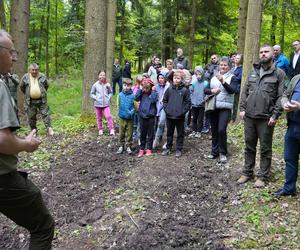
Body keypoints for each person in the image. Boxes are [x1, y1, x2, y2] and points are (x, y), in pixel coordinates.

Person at [0, 29, 54, 250]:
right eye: (11, 52)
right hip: (3, 179)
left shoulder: (40, 78)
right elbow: (2, 140)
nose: (15, 57)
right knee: (43, 226)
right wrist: (26, 144)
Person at [238, 44, 286, 188]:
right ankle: (247, 172)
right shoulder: (254, 70)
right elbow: (245, 90)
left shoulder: (279, 73)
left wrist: (275, 115)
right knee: (249, 146)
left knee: (265, 148)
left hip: (266, 118)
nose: (263, 54)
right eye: (261, 52)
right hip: (250, 116)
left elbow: (281, 96)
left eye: (266, 52)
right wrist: (242, 108)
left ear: (273, 54)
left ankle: (263, 176)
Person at [205, 57, 239, 163]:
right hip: (213, 106)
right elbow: (205, 90)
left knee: (221, 129)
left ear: (229, 66)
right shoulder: (213, 76)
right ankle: (214, 152)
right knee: (214, 130)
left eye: (225, 65)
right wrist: (212, 90)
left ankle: (223, 152)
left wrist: (223, 81)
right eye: (221, 65)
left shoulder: (233, 77)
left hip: (225, 108)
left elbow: (232, 91)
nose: (223, 67)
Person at [274, 73, 300, 197]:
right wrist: (284, 103)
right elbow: (285, 95)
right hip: (293, 125)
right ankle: (289, 188)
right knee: (290, 158)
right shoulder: (296, 78)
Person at [162, 70, 191, 157]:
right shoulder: (169, 89)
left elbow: (188, 103)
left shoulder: (185, 90)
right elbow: (165, 100)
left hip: (180, 117)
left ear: (181, 79)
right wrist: (167, 109)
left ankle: (179, 149)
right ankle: (168, 148)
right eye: (175, 78)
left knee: (180, 134)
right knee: (169, 133)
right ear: (173, 79)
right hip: (169, 116)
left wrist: (182, 112)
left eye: (178, 78)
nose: (176, 80)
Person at [20, 63, 54, 136]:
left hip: (42, 100)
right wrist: (28, 93)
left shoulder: (42, 76)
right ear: (30, 70)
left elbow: (46, 85)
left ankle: (49, 128)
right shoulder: (25, 77)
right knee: (31, 116)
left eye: (36, 70)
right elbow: (22, 87)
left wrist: (41, 92)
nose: (34, 71)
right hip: (30, 101)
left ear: (38, 70)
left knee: (45, 114)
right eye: (33, 70)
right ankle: (34, 131)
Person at [135, 78, 158, 157]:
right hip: (142, 115)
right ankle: (142, 148)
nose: (146, 89)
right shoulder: (142, 93)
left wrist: (153, 91)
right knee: (142, 133)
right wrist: (141, 90)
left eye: (148, 87)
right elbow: (136, 98)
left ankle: (149, 148)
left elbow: (154, 100)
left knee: (150, 133)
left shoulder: (154, 93)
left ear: (151, 86)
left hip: (151, 116)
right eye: (145, 87)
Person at [90, 70, 115, 136]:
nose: (102, 76)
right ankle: (100, 129)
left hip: (106, 104)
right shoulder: (95, 85)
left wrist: (108, 98)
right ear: (98, 76)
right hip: (98, 104)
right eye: (101, 75)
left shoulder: (107, 84)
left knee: (108, 116)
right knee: (99, 117)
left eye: (103, 75)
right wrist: (96, 98)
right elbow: (91, 93)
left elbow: (111, 92)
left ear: (105, 76)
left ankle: (111, 129)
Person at [116, 78, 136, 155]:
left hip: (130, 118)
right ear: (122, 85)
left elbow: (136, 106)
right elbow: (118, 105)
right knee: (121, 132)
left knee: (130, 132)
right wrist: (120, 112)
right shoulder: (119, 95)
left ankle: (128, 146)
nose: (126, 87)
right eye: (124, 85)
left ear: (131, 86)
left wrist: (132, 112)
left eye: (128, 85)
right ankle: (121, 145)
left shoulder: (133, 96)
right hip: (122, 117)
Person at [189, 66, 207, 138]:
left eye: (200, 74)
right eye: (197, 74)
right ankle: (194, 131)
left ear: (202, 74)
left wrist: (204, 100)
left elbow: (208, 93)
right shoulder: (193, 83)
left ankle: (199, 131)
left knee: (200, 119)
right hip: (194, 104)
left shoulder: (206, 83)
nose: (198, 76)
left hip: (201, 105)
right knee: (194, 118)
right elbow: (190, 92)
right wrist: (192, 100)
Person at [153, 73, 169, 149]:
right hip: (156, 107)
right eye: (159, 78)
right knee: (155, 124)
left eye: (162, 78)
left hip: (164, 107)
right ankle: (157, 139)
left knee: (161, 122)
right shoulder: (155, 87)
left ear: (165, 79)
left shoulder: (167, 87)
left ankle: (157, 140)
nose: (160, 79)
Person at [231, 54, 243, 122]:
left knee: (235, 104)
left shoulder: (241, 68)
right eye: (236, 58)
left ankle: (234, 118)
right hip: (231, 88)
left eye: (238, 58)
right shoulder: (233, 68)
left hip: (237, 89)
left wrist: (232, 77)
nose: (236, 59)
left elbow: (239, 78)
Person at [132, 74, 143, 144]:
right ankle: (134, 137)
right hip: (134, 109)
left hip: (141, 109)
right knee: (134, 124)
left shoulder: (143, 89)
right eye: (138, 82)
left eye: (140, 82)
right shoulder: (133, 88)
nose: (139, 84)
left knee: (139, 125)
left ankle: (139, 138)